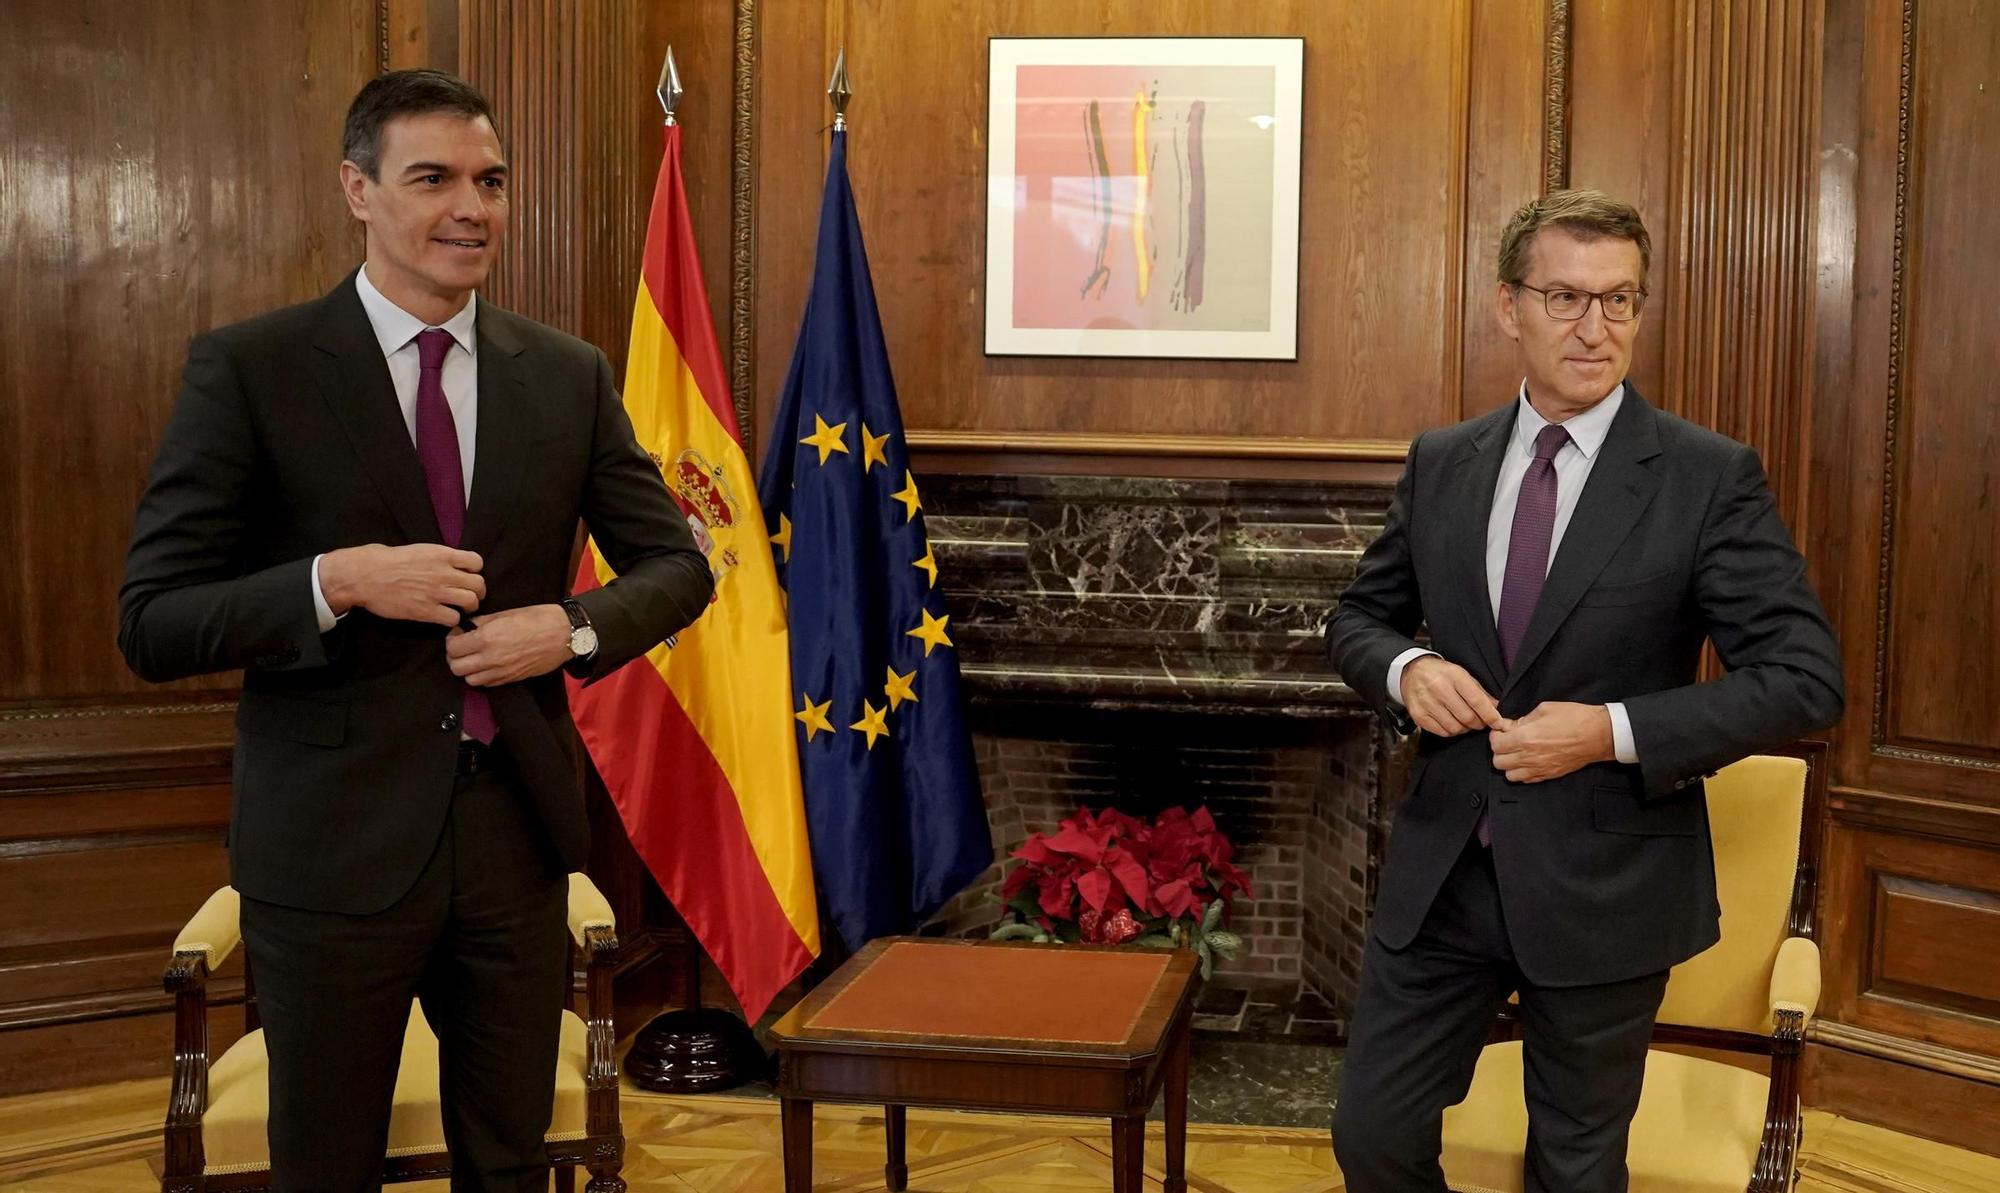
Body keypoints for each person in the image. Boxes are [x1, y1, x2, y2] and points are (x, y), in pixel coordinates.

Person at [119, 69, 712, 1191]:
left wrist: (570, 629)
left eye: (489, 181)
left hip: (514, 846)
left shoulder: (568, 376)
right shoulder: (253, 371)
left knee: (510, 1163)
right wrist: (333, 581)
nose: (469, 208)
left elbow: (680, 566)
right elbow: (152, 620)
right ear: (358, 188)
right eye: (431, 178)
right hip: (330, 858)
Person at [1325, 188, 1843, 1192]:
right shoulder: (1441, 460)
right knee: (1370, 1134)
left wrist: (1607, 731)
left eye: (1618, 301)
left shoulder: (1706, 476)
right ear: (1505, 305)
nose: (1593, 327)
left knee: (1573, 1166)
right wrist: (1407, 668)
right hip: (1445, 873)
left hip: (1606, 884)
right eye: (1564, 297)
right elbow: (1357, 618)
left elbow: (1803, 679)